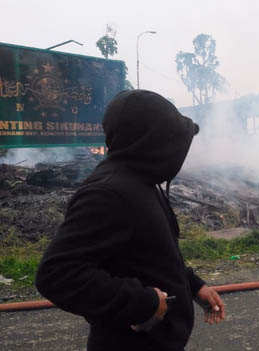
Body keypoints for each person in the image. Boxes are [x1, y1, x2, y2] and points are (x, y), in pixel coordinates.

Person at [35, 90, 226, 351]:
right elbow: (57, 275)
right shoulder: (108, 192)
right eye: (172, 140)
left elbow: (152, 254)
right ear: (152, 140)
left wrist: (194, 286)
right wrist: (143, 303)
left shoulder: (141, 182)